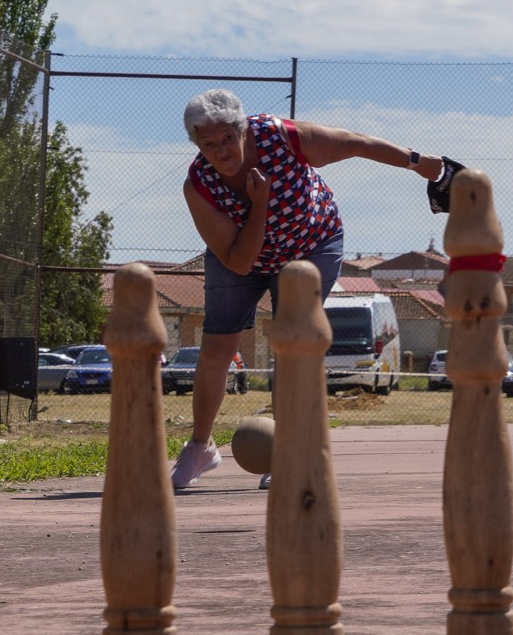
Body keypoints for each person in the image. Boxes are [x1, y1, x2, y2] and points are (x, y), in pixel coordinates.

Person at [169, 89, 449, 489]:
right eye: (208, 144)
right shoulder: (198, 185)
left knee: (293, 344)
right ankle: (200, 448)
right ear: (197, 145)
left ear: (242, 130)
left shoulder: (282, 137)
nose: (222, 151)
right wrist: (260, 205)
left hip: (311, 245)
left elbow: (357, 143)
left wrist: (420, 163)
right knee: (216, 348)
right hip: (241, 255)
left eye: (228, 138)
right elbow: (240, 262)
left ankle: (290, 449)